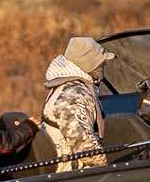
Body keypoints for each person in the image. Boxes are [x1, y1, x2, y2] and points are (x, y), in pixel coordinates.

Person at [41, 36, 112, 171]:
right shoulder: (73, 95)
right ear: (91, 65)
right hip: (72, 173)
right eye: (102, 63)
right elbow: (84, 147)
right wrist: (109, 169)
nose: (104, 66)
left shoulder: (67, 86)